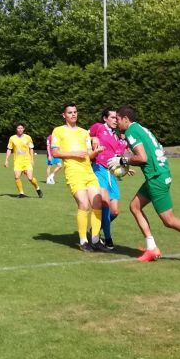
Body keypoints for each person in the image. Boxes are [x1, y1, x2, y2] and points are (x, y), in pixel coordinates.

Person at [109, 106, 180, 263]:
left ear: (125, 119)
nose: (116, 122)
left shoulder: (131, 131)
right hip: (159, 174)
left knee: (169, 220)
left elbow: (142, 158)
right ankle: (151, 248)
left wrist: (122, 160)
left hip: (157, 178)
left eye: (118, 119)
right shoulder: (139, 128)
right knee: (135, 207)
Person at [51, 103, 103, 251]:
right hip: (73, 172)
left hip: (88, 171)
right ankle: (83, 241)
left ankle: (95, 239)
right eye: (70, 112)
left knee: (97, 202)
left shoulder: (83, 132)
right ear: (64, 115)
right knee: (84, 204)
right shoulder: (58, 131)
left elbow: (88, 154)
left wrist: (96, 152)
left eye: (75, 112)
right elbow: (55, 153)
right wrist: (74, 154)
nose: (73, 114)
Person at [89, 109, 129, 250]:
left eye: (116, 118)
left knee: (115, 212)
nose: (115, 120)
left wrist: (126, 168)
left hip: (111, 174)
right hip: (99, 170)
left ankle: (96, 228)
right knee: (104, 202)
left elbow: (119, 156)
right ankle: (108, 238)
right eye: (112, 117)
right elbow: (86, 136)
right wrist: (93, 138)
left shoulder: (117, 137)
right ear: (105, 118)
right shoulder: (98, 127)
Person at [4, 124, 41, 198]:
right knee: (17, 177)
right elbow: (9, 149)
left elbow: (31, 148)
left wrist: (32, 159)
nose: (20, 129)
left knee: (30, 178)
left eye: (21, 128)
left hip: (27, 161)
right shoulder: (12, 138)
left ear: (23, 129)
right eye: (18, 128)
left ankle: (37, 188)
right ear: (16, 129)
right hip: (17, 161)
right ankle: (21, 193)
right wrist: (6, 160)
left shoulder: (28, 137)